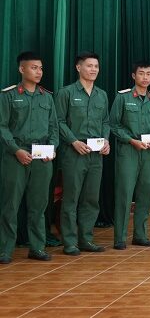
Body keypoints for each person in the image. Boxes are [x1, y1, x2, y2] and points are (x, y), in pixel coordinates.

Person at [0, 51, 59, 263]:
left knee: (39, 206)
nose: (39, 72)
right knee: (10, 205)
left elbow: (54, 127)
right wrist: (16, 150)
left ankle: (37, 247)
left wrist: (52, 149)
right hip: (16, 155)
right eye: (34, 68)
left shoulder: (47, 97)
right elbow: (2, 127)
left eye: (40, 68)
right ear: (21, 69)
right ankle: (5, 250)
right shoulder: (8, 95)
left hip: (42, 157)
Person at [55, 51, 110, 255]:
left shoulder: (102, 95)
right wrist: (73, 141)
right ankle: (69, 242)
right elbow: (59, 121)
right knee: (71, 199)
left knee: (91, 199)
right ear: (79, 68)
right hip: (74, 153)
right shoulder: (66, 93)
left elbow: (106, 121)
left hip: (96, 154)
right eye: (89, 65)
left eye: (96, 66)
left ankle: (86, 239)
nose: (93, 69)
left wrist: (106, 140)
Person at [110, 61, 150, 250]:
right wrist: (131, 140)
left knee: (145, 193)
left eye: (148, 74)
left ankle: (140, 234)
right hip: (128, 152)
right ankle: (120, 237)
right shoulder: (123, 98)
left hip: (149, 153)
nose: (145, 77)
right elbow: (114, 125)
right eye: (141, 73)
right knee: (124, 194)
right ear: (134, 76)